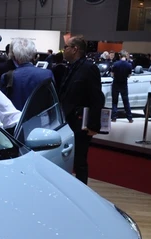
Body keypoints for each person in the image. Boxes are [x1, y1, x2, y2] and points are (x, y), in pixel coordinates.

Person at [58, 35, 104, 185]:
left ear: (75, 49)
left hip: (80, 124)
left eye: (66, 47)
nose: (64, 50)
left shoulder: (89, 68)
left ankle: (81, 189)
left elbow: (97, 98)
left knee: (79, 161)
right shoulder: (70, 67)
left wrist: (93, 126)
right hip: (67, 121)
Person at [0, 38, 53, 110]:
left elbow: (2, 104)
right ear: (33, 55)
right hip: (40, 116)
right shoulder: (47, 74)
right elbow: (52, 103)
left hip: (16, 116)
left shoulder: (6, 76)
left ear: (14, 56)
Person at [110, 52, 133, 122]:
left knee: (114, 101)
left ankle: (114, 117)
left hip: (116, 84)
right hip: (124, 84)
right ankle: (129, 118)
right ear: (126, 56)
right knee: (126, 101)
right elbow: (129, 75)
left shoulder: (115, 64)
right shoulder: (129, 65)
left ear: (120, 56)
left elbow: (112, 74)